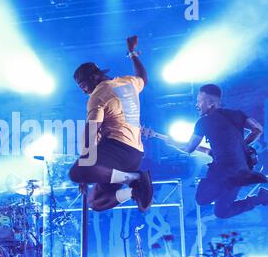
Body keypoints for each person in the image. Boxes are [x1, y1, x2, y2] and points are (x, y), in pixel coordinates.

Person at [69, 36, 153, 212]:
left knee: (76, 173)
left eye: (83, 85)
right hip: (135, 155)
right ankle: (133, 192)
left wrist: (86, 167)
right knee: (95, 202)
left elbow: (90, 133)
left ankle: (134, 179)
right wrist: (132, 53)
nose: (83, 90)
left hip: (117, 149)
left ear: (94, 77)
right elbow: (143, 77)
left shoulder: (98, 95)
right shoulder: (128, 82)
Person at [165, 84, 268, 219]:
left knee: (202, 199)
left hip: (224, 172)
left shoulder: (203, 122)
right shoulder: (237, 114)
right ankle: (260, 198)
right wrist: (242, 146)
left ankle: (230, 183)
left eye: (199, 101)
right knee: (221, 212)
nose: (197, 105)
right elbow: (258, 129)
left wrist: (173, 143)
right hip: (242, 172)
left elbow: (188, 148)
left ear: (211, 103)